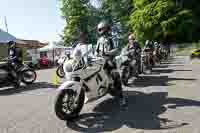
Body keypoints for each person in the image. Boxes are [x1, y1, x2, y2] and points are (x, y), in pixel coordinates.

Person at [95, 20, 127, 108]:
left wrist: (107, 53)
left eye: (102, 29)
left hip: (109, 61)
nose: (101, 30)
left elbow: (117, 49)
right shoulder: (99, 40)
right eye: (100, 29)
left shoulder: (112, 38)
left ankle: (121, 97)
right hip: (100, 61)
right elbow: (96, 51)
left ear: (106, 29)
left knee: (115, 76)